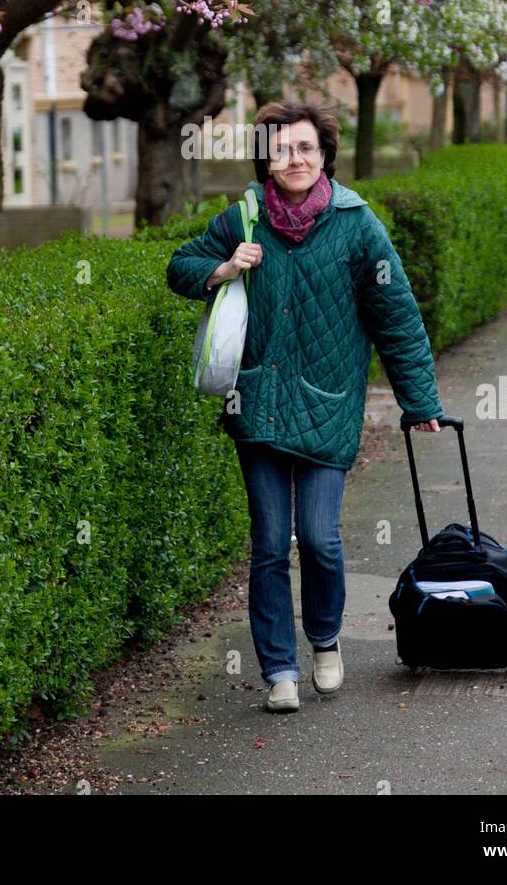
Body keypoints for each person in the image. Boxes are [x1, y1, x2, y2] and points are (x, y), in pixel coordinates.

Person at [166, 101, 443, 713]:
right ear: (266, 156)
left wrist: (418, 399)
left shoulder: (356, 223)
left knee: (318, 538)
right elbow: (178, 267)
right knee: (268, 543)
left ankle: (324, 639)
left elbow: (394, 314)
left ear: (324, 156)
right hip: (256, 399)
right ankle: (279, 671)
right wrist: (221, 267)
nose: (294, 159)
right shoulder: (243, 218)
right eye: (282, 149)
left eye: (306, 149)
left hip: (328, 404)